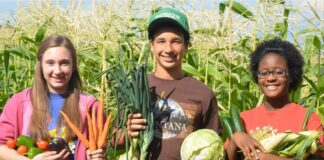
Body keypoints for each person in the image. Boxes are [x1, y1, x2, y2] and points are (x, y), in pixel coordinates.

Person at [126, 8, 222, 159]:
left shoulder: (203, 94)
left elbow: (214, 143)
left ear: (186, 45)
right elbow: (113, 141)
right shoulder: (136, 88)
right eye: (161, 41)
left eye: (176, 41)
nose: (168, 49)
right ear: (151, 45)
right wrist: (128, 131)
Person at [0, 35, 105, 160]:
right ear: (41, 65)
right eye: (50, 63)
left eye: (64, 63)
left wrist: (94, 155)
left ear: (73, 66)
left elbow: (103, 146)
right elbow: (2, 146)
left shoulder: (90, 106)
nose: (57, 70)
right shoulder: (19, 103)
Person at [225, 38, 323, 160]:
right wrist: (234, 140)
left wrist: (267, 158)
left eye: (278, 72)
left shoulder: (307, 118)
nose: (271, 78)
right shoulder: (243, 119)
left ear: (291, 76)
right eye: (264, 73)